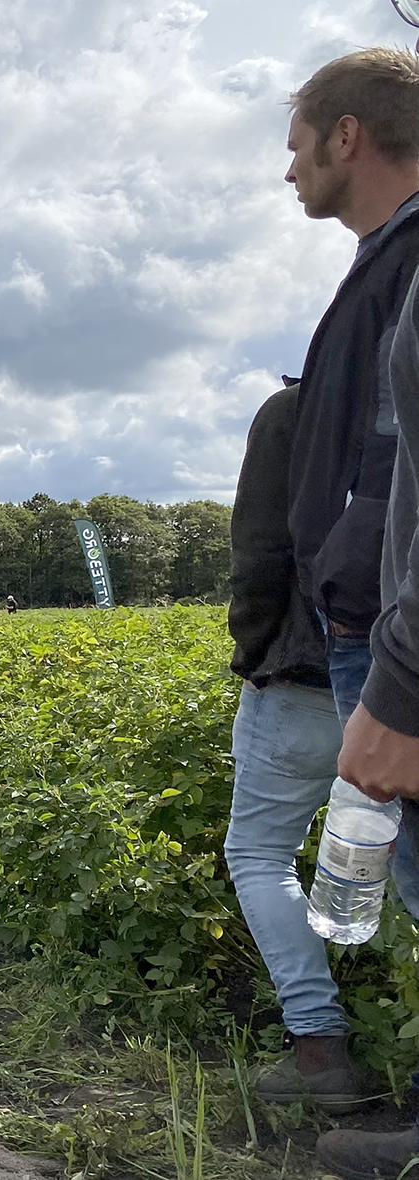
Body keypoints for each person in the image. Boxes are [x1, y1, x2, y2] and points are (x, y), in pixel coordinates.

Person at [309, 0, 419, 1175]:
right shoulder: (383, 266)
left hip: (392, 630)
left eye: (295, 144)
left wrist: (392, 659)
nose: (287, 171)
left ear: (345, 136)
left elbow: (401, 472)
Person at [221, 381, 382, 1110]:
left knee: (259, 852)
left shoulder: (302, 409)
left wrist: (259, 652)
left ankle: (319, 1046)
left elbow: (258, 551)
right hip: (402, 672)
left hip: (306, 666)